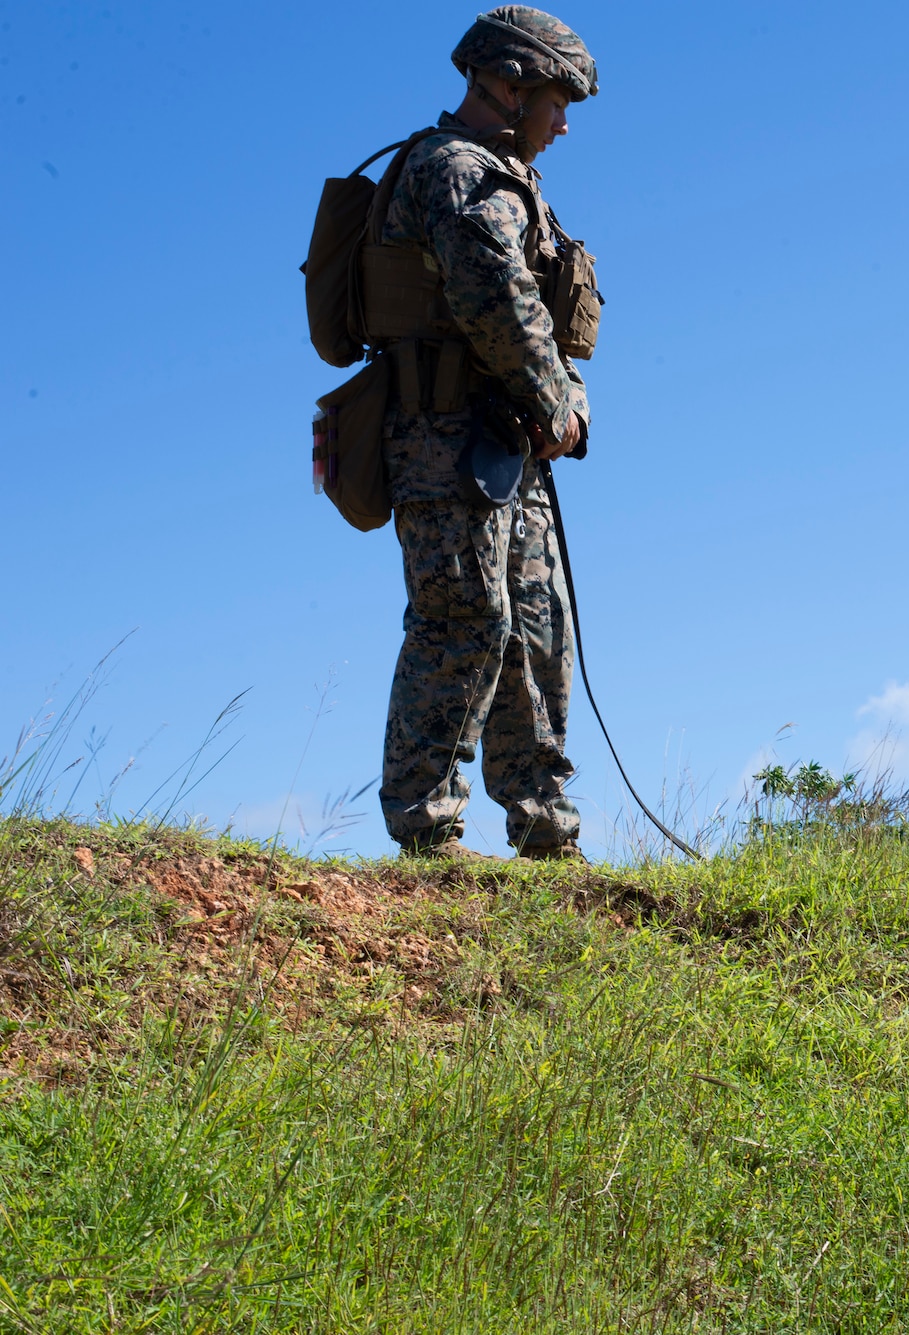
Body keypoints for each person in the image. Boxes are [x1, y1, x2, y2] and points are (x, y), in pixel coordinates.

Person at [374, 7, 599, 861]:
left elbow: (541, 317)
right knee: (463, 618)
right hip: (443, 439)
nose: (564, 123)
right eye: (556, 101)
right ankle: (427, 830)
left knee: (537, 631)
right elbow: (495, 302)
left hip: (508, 443)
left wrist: (562, 403)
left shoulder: (507, 180)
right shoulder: (455, 172)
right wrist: (558, 405)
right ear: (509, 85)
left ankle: (546, 834)